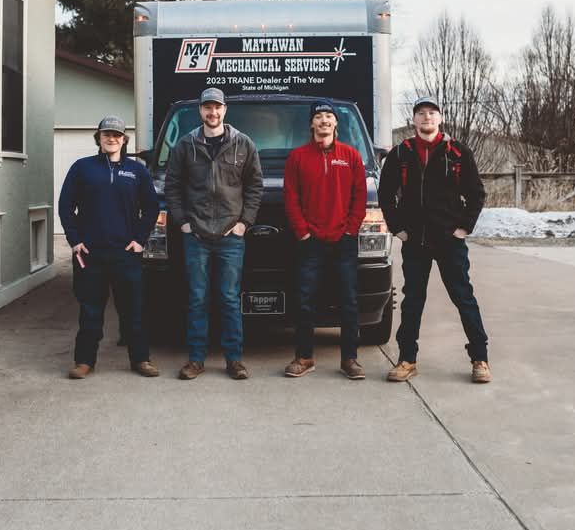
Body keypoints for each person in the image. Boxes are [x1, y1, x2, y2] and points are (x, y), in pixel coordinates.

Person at [377, 97, 491, 384]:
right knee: (412, 301)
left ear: (440, 119)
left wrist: (463, 228)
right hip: (415, 241)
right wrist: (397, 228)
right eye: (420, 113)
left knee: (464, 298)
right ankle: (406, 360)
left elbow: (476, 193)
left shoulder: (457, 152)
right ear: (413, 120)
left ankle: (480, 359)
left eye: (431, 113)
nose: (426, 118)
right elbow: (385, 194)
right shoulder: (401, 154)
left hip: (449, 241)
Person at [164, 88, 263, 380]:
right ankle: (196, 360)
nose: (213, 113)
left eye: (217, 107)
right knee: (197, 298)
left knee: (229, 298)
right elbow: (173, 186)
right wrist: (182, 221)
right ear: (200, 111)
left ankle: (234, 360)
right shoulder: (186, 145)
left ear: (224, 110)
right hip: (196, 236)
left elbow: (255, 187)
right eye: (207, 108)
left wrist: (245, 222)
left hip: (231, 237)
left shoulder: (243, 144)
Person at [58, 115, 160, 379]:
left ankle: (141, 360)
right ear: (99, 138)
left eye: (117, 135)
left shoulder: (136, 171)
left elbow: (151, 208)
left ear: (124, 139)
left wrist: (140, 239)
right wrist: (75, 240)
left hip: (126, 254)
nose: (112, 138)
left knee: (133, 312)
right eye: (107, 134)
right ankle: (84, 361)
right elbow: (65, 206)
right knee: (90, 311)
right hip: (91, 255)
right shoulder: (82, 168)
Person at [282, 100, 367, 379]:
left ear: (336, 123)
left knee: (349, 301)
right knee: (305, 300)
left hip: (343, 240)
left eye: (329, 116)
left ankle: (350, 359)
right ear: (311, 124)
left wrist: (351, 230)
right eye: (319, 117)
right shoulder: (297, 157)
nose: (324, 121)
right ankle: (304, 357)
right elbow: (291, 198)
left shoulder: (351, 156)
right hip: (310, 241)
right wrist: (303, 232)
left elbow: (359, 198)